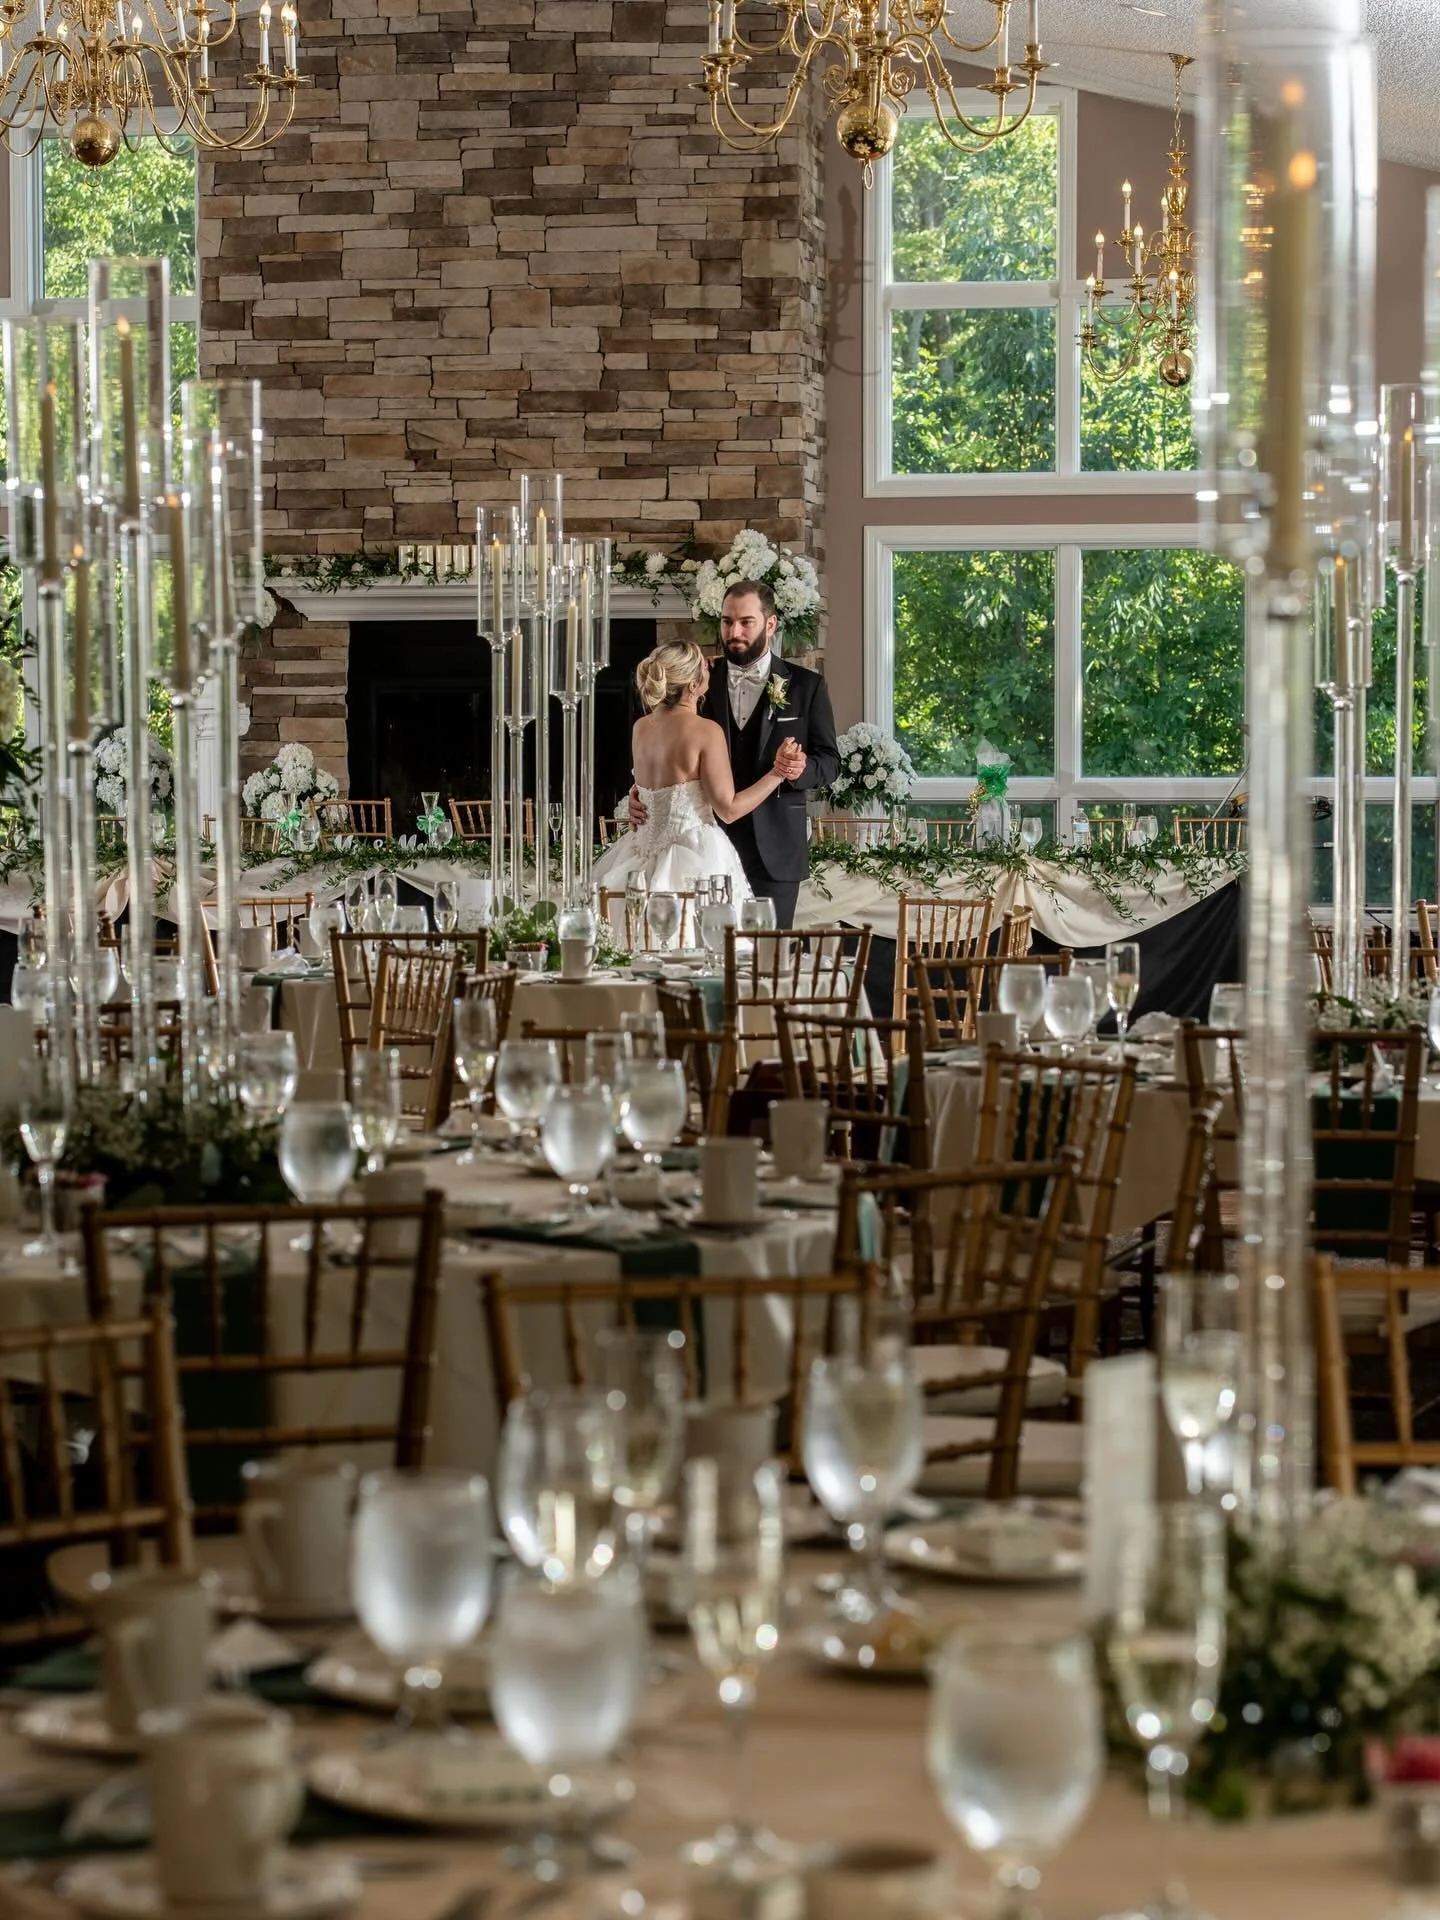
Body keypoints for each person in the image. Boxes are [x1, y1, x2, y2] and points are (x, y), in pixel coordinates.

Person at [628, 579, 840, 927]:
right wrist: (640, 795)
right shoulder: (699, 679)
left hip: (775, 852)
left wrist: (799, 767)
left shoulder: (806, 686)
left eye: (746, 622)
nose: (734, 631)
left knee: (764, 962)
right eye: (727, 621)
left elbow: (830, 762)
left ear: (770, 624)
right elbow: (664, 751)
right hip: (702, 848)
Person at [592, 638, 804, 909]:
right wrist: (778, 772)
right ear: (693, 686)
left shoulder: (641, 727)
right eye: (704, 666)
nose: (711, 666)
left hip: (639, 856)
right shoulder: (705, 731)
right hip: (692, 856)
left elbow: (650, 790)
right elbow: (728, 809)